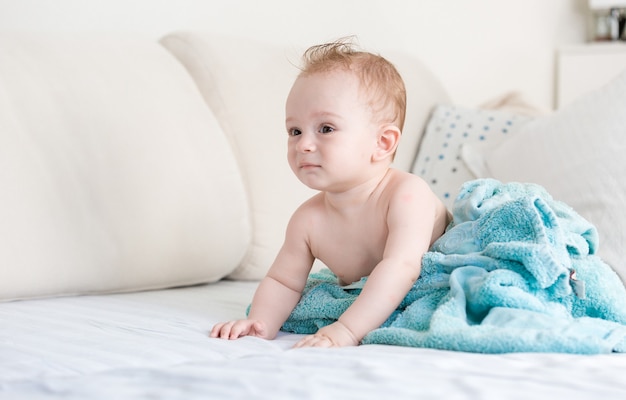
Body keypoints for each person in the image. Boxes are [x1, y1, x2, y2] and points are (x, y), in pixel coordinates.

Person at [210, 37, 451, 348]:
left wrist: (346, 330)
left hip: (427, 275)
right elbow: (283, 281)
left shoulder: (406, 194)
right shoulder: (308, 220)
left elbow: (402, 268)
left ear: (383, 143)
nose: (303, 144)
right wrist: (261, 323)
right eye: (294, 131)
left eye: (325, 128)